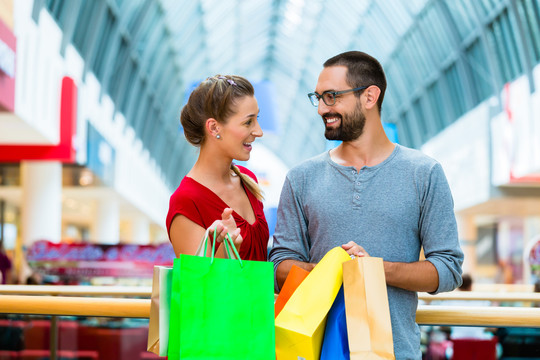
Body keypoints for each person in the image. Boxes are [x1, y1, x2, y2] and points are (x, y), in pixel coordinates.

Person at [269, 51, 463, 359]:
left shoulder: (424, 173)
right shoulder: (301, 177)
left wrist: (373, 270)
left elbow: (448, 270)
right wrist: (331, 270)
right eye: (317, 98)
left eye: (331, 97)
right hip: (314, 352)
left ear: (370, 96)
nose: (321, 108)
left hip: (396, 353)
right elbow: (279, 265)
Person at [166, 75, 269, 261]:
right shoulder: (187, 202)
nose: (259, 131)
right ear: (214, 128)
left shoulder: (248, 179)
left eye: (257, 119)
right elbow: (198, 286)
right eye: (248, 122)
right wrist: (226, 250)